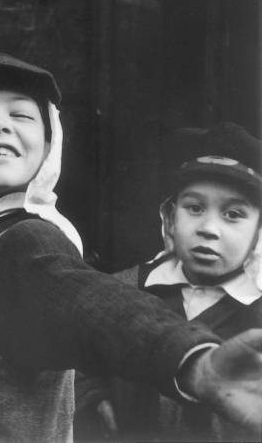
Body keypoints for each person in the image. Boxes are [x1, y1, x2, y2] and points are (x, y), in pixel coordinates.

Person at [0, 52, 262, 441]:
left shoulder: (27, 244)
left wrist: (194, 362)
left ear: (48, 151)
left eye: (21, 115)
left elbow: (98, 307)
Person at [76, 122, 262, 442]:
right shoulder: (120, 289)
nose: (208, 228)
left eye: (233, 214)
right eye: (195, 208)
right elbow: (78, 358)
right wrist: (93, 397)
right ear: (171, 217)